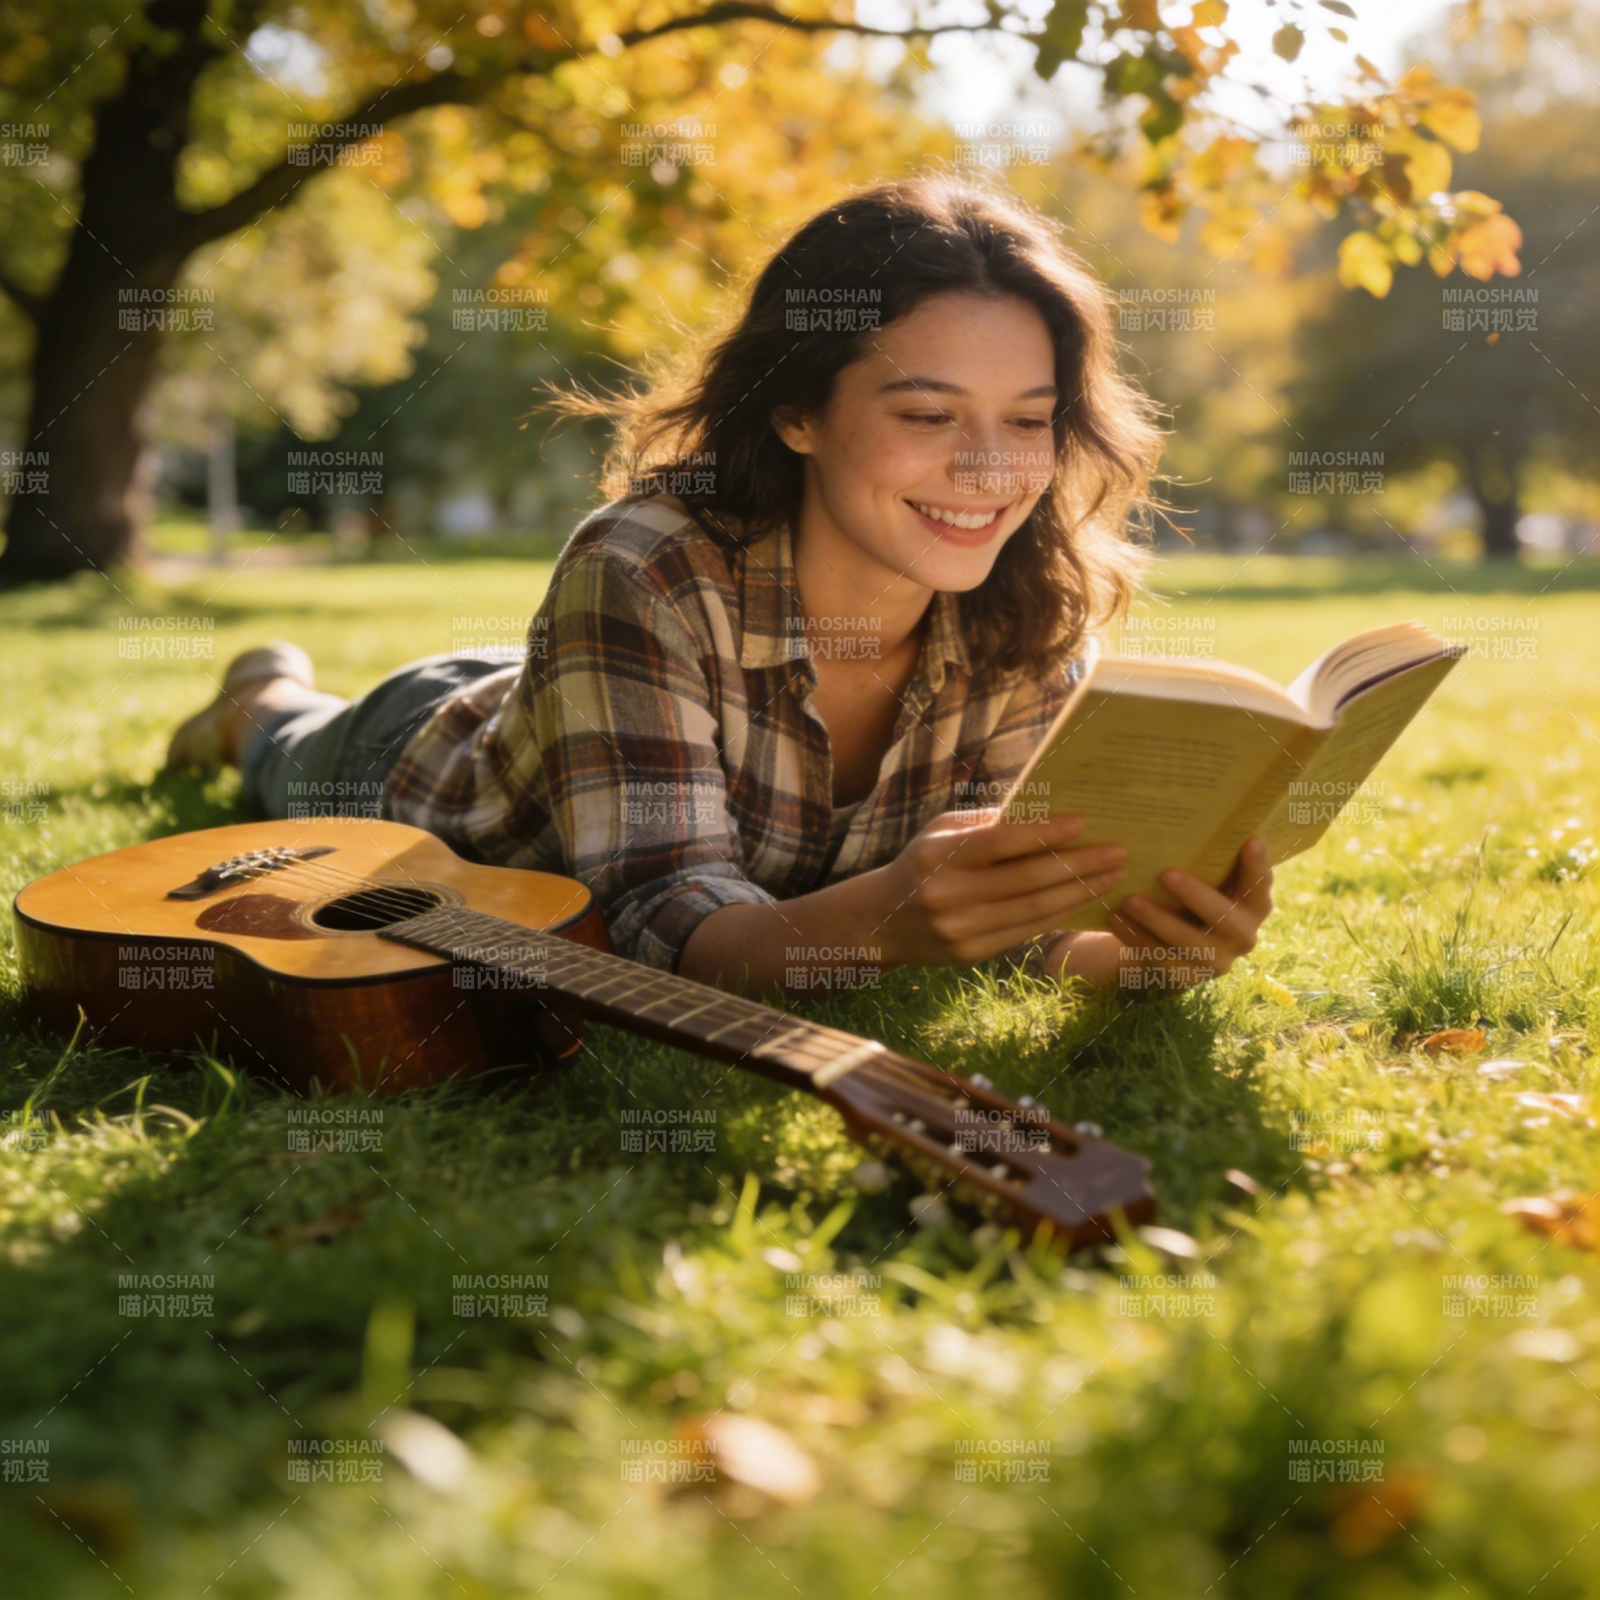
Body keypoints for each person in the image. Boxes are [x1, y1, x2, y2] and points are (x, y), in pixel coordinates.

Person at [164, 174, 1275, 1001]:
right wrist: (887, 917)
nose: (991, 472)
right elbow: (656, 922)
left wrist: (1143, 953)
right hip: (425, 762)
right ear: (797, 413)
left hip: (612, 702)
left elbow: (1016, 926)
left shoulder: (1033, 609)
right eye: (928, 416)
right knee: (279, 744)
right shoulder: (640, 565)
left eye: (1028, 421)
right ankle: (256, 697)